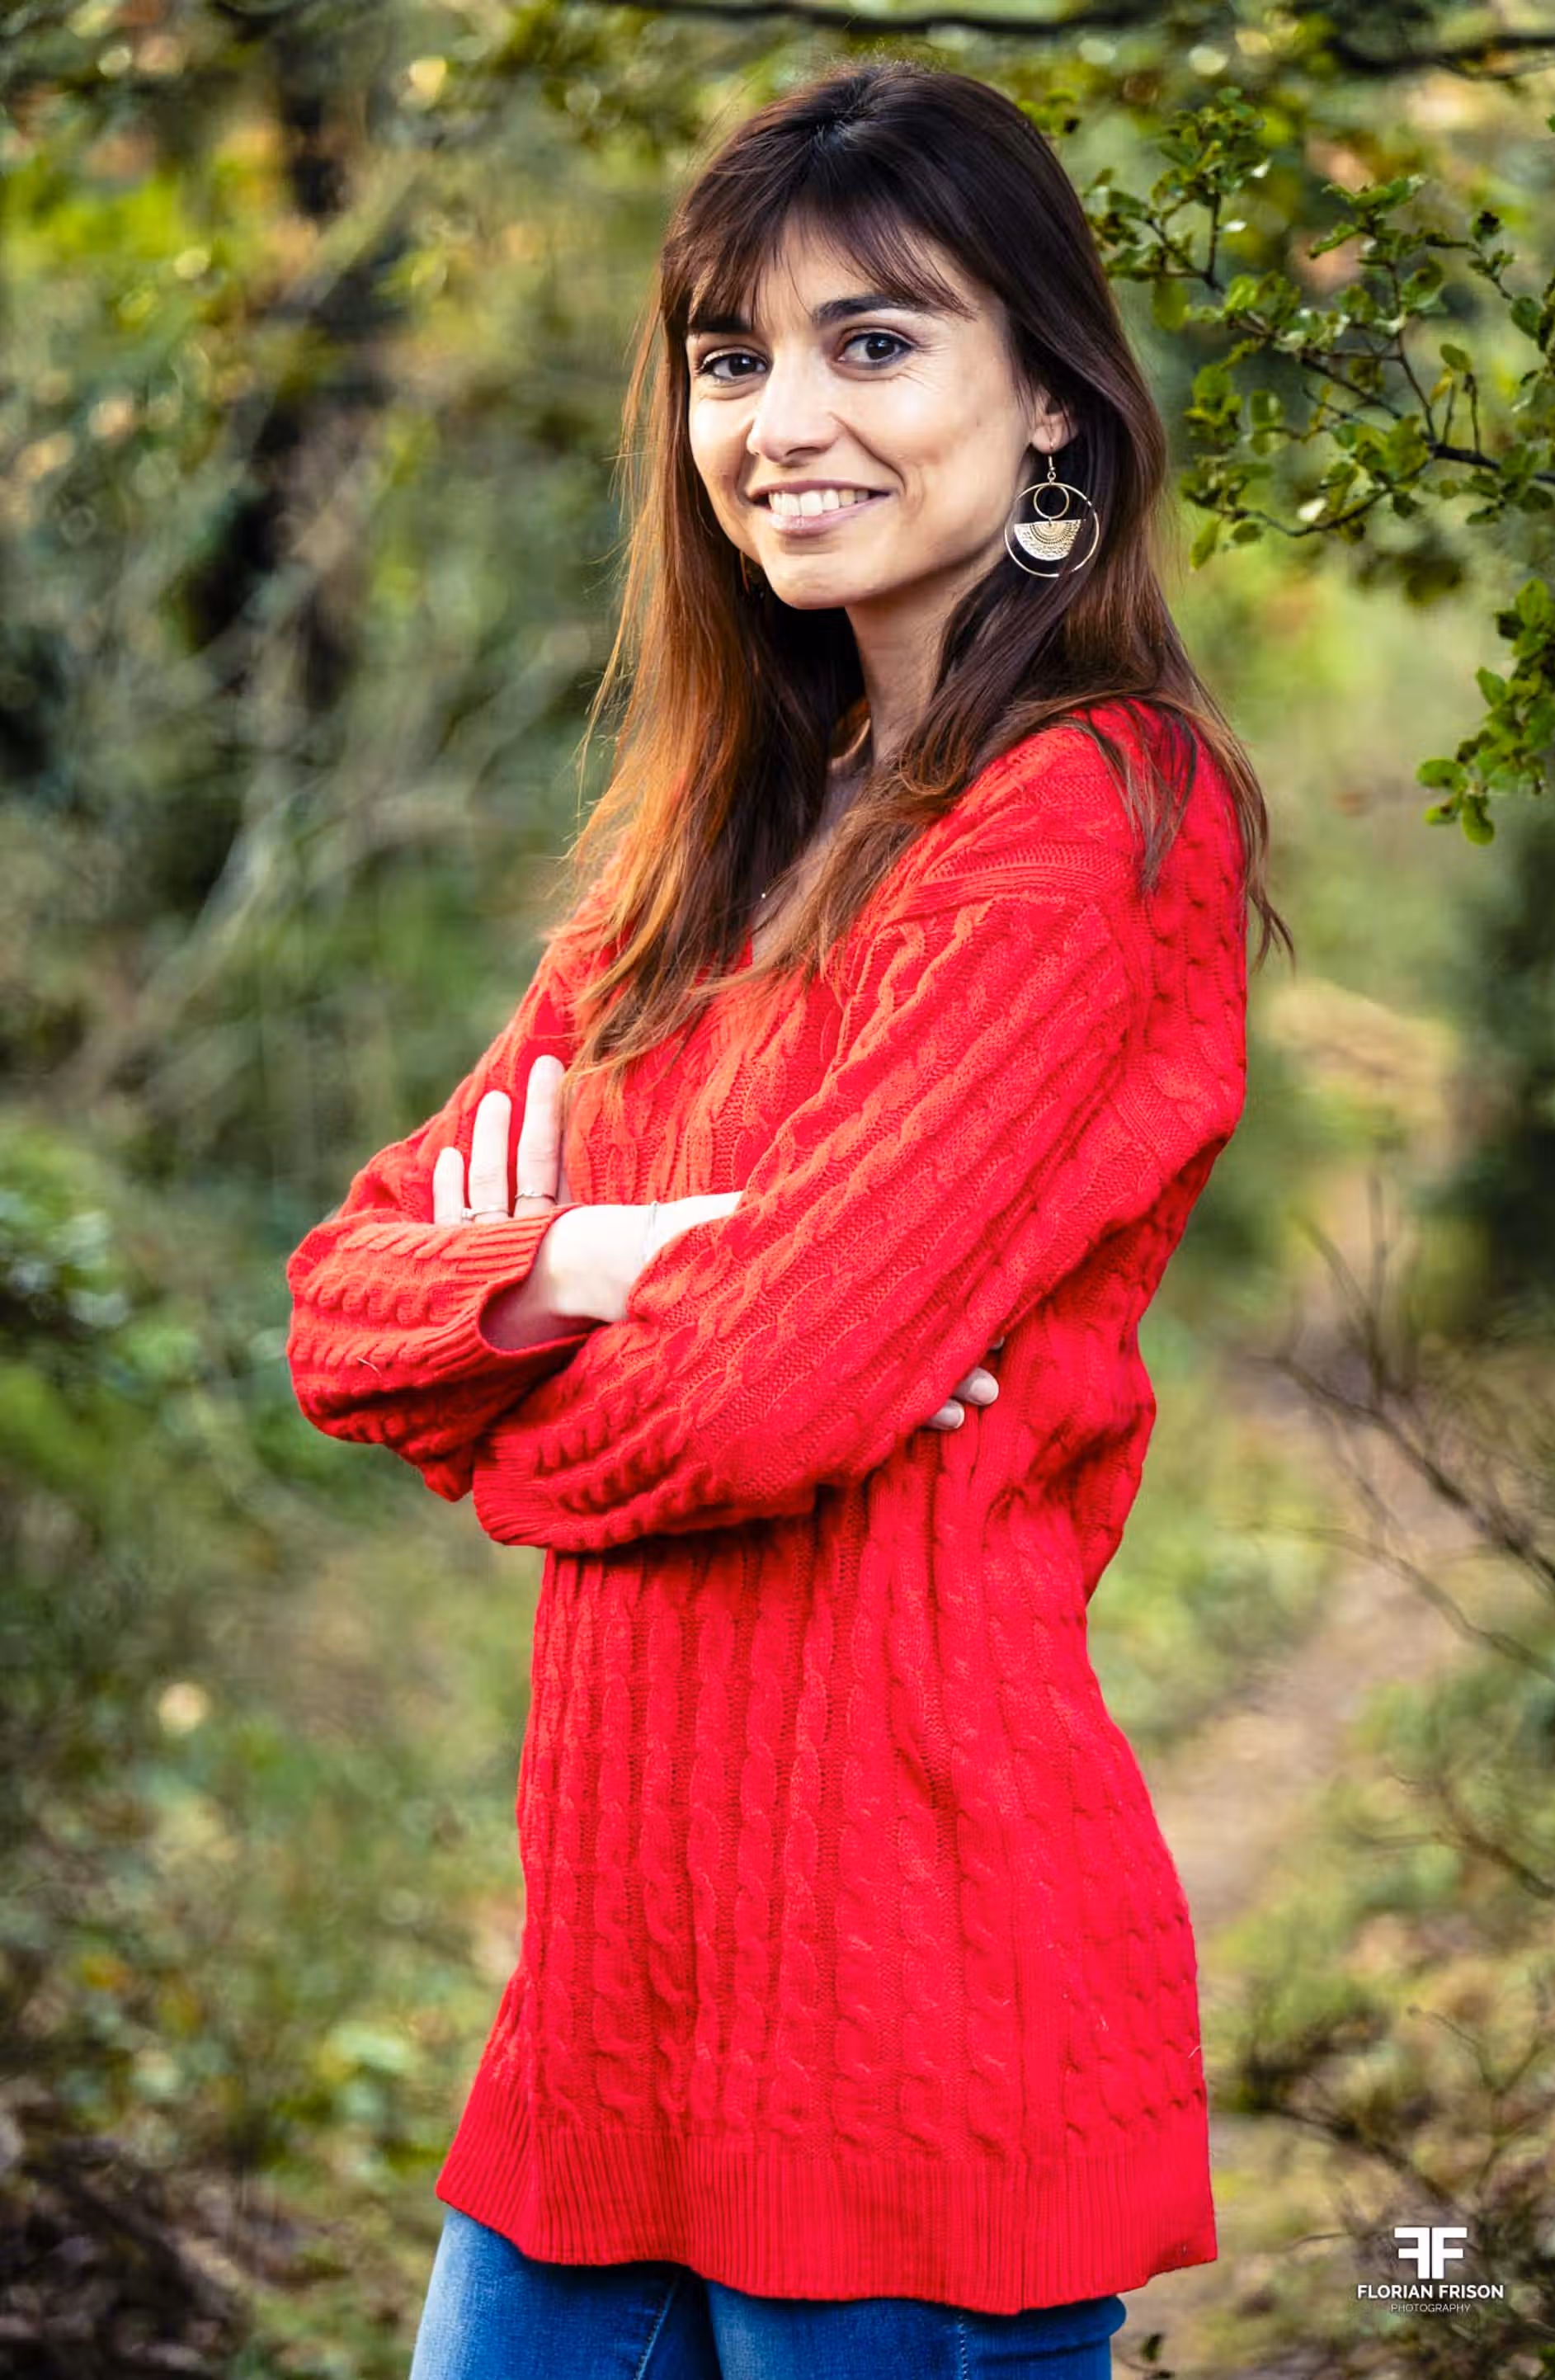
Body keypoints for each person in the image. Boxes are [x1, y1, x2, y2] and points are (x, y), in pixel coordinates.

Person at [284, 56, 1290, 2380]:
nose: (776, 416)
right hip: (602, 2035)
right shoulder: (696, 870)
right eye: (731, 357)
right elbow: (344, 1308)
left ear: (1050, 400)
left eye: (874, 339)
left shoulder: (1096, 821)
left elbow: (762, 1405)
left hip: (913, 2035)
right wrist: (603, 1261)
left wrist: (530, 1389)